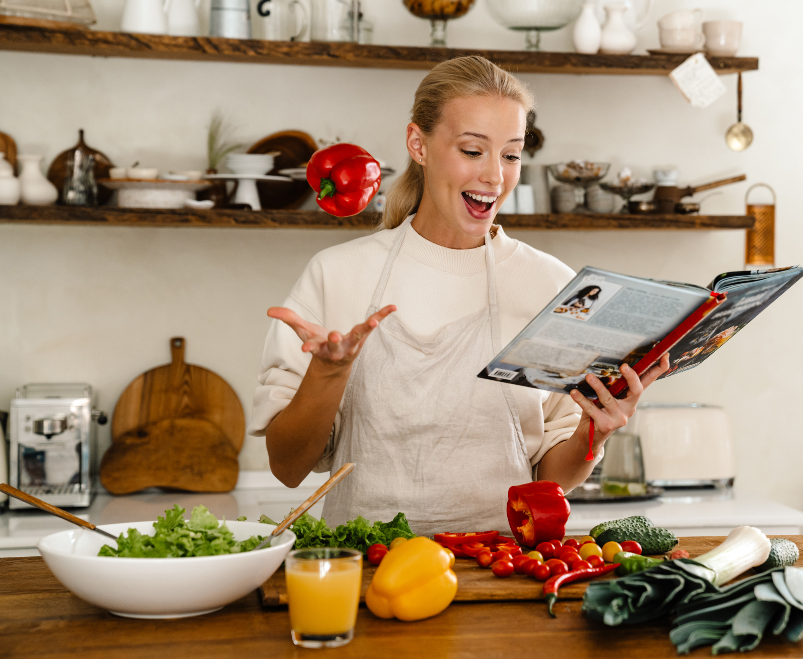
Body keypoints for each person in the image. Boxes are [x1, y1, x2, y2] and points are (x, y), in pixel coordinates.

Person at [249, 56, 669, 536]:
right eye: (473, 151)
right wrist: (329, 373)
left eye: (510, 155)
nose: (495, 176)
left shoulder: (551, 286)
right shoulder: (337, 274)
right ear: (418, 145)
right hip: (365, 572)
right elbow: (287, 466)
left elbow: (551, 479)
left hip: (497, 572)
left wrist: (595, 431)